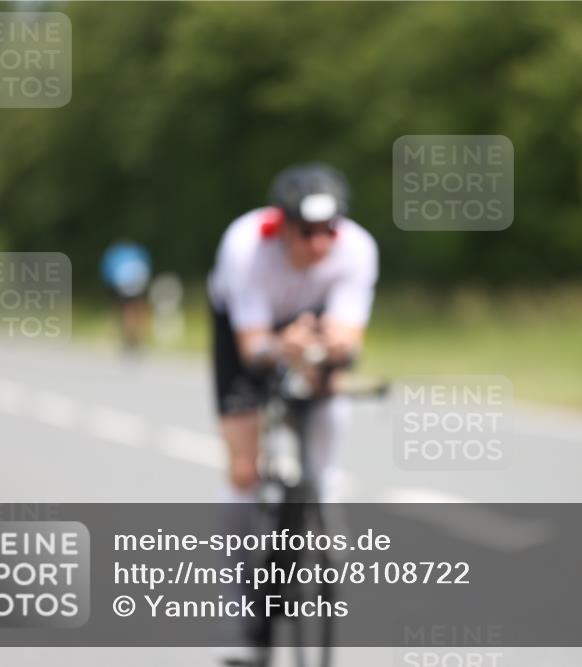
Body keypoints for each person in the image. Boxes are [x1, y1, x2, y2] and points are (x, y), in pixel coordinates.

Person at [207, 163, 378, 663]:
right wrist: (286, 347)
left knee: (330, 393)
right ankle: (240, 609)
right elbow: (252, 348)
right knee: (243, 470)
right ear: (281, 226)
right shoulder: (246, 249)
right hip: (248, 330)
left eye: (329, 230)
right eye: (306, 232)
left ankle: (322, 491)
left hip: (313, 324)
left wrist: (325, 352)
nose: (320, 244)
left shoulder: (358, 249)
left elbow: (349, 337)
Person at [100, 240, 152, 350]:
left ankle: (130, 338)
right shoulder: (138, 252)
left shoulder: (116, 253)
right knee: (139, 308)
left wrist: (110, 285)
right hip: (139, 282)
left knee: (127, 310)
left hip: (124, 284)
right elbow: (147, 266)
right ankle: (140, 337)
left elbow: (108, 269)